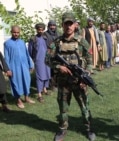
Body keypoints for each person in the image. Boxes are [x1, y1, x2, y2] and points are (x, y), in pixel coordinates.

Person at [45, 12, 96, 141]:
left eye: (70, 24)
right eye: (66, 24)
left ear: (75, 25)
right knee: (63, 108)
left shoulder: (82, 42)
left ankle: (89, 129)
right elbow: (47, 60)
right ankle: (62, 130)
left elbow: (90, 61)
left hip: (79, 82)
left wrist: (86, 75)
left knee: (85, 107)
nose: (68, 26)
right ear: (62, 25)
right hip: (63, 83)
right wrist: (59, 67)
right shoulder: (56, 42)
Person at [4, 25, 35, 109]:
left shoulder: (22, 42)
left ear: (19, 32)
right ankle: (18, 100)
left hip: (24, 66)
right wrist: (7, 70)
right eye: (14, 32)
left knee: (26, 81)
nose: (16, 34)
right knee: (15, 83)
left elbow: (26, 54)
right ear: (11, 32)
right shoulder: (7, 43)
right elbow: (6, 57)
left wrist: (30, 64)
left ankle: (27, 98)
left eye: (17, 32)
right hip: (14, 67)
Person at [28, 23, 51, 103]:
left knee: (47, 74)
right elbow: (30, 51)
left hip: (46, 59)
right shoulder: (33, 39)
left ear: (44, 29)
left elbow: (49, 47)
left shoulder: (45, 37)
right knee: (39, 76)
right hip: (38, 60)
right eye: (39, 30)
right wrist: (35, 59)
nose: (40, 31)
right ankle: (39, 94)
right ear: (36, 30)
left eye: (42, 30)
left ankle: (45, 89)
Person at [44, 20, 60, 91]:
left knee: (57, 70)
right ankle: (51, 85)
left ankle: (57, 84)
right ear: (48, 26)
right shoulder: (45, 34)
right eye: (51, 25)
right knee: (50, 70)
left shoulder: (58, 34)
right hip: (49, 54)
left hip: (57, 54)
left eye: (54, 25)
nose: (52, 27)